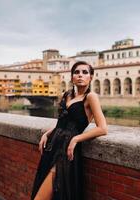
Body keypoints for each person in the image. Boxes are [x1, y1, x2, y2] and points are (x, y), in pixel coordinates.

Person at [31, 61, 108, 200]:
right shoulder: (67, 95)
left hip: (65, 151)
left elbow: (102, 128)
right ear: (72, 77)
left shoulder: (90, 97)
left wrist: (76, 138)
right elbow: (62, 123)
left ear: (91, 77)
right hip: (52, 147)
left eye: (85, 72)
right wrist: (47, 134)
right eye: (76, 72)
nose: (80, 75)